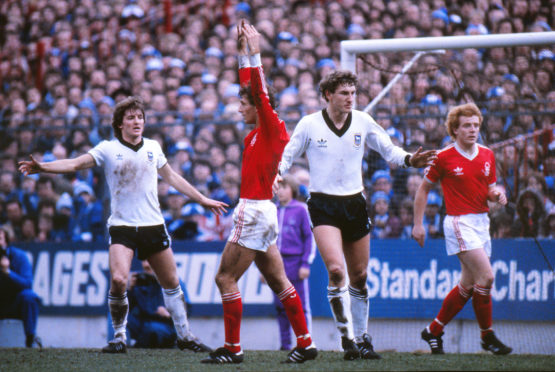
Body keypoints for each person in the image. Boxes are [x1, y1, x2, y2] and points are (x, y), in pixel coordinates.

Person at [19, 96, 227, 354]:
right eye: (130, 117)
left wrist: (203, 199)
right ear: (120, 124)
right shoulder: (107, 149)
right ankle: (119, 337)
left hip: (153, 225)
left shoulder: (153, 147)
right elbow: (74, 163)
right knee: (118, 280)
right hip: (122, 227)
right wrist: (43, 167)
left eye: (140, 117)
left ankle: (185, 335)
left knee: (172, 282)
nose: (137, 121)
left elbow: (172, 177)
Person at [277, 69, 437, 360]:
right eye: (343, 93)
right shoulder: (309, 124)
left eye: (353, 93)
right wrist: (276, 174)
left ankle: (364, 338)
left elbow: (389, 151)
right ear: (328, 95)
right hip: (323, 204)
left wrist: (410, 159)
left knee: (360, 276)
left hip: (354, 203)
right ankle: (347, 338)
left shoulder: (363, 121)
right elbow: (287, 155)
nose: (350, 98)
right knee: (337, 271)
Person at [202, 21, 317, 365]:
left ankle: (233, 349)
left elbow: (260, 93)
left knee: (225, 278)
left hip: (253, 210)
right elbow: (251, 89)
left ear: (257, 107)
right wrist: (241, 56)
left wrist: (255, 54)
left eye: (243, 103)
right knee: (279, 280)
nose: (239, 108)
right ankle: (306, 343)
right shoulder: (255, 132)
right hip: (263, 212)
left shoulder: (271, 127)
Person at [412, 102, 512, 355]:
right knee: (487, 277)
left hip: (481, 222)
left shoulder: (488, 154)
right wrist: (418, 224)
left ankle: (433, 330)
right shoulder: (443, 157)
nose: (472, 129)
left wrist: (497, 194)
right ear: (454, 129)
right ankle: (487, 336)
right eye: (466, 125)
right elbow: (423, 189)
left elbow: (489, 189)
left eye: (476, 125)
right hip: (459, 222)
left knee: (467, 286)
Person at [274, 174, 316, 351]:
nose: (281, 192)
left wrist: (305, 263)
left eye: (284, 188)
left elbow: (309, 237)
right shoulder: (272, 210)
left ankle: (306, 342)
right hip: (276, 264)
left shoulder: (301, 210)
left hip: (295, 262)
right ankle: (285, 344)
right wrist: (263, 269)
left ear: (292, 190)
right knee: (280, 305)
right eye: (278, 188)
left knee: (300, 304)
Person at [0, 227, 42, 348]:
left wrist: (8, 272)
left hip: (14, 303)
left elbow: (27, 283)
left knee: (29, 296)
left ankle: (30, 338)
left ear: (6, 241)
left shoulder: (19, 256)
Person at [127, 260, 184, 348]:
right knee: (115, 314)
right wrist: (129, 290)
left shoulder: (173, 281)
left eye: (150, 260)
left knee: (153, 329)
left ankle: (139, 346)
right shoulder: (140, 280)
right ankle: (119, 347)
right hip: (142, 322)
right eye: (144, 260)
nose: (146, 264)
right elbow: (126, 308)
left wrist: (170, 314)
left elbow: (187, 311)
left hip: (166, 325)